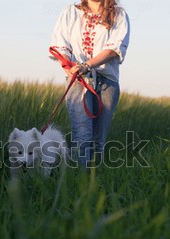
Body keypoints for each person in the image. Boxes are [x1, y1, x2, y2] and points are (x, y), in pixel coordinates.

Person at [50, 0, 130, 168]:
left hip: (107, 82)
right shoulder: (71, 12)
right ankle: (78, 183)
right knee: (82, 137)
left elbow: (113, 50)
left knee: (98, 141)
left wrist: (87, 66)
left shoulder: (119, 14)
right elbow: (60, 47)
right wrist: (73, 72)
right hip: (77, 81)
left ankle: (94, 184)